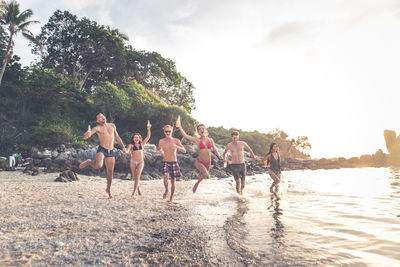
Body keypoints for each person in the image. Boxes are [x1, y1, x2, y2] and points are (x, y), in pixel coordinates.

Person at [79, 113, 127, 198]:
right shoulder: (97, 128)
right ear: (98, 121)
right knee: (98, 165)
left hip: (111, 150)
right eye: (100, 118)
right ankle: (90, 162)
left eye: (102, 116)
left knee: (110, 171)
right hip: (102, 149)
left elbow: (117, 137)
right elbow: (86, 137)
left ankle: (108, 189)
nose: (102, 118)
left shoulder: (112, 125)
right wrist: (87, 133)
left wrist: (123, 147)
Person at [176, 117, 223, 193]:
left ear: (205, 130)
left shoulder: (210, 140)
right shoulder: (197, 140)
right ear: (198, 132)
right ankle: (196, 184)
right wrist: (180, 126)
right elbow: (185, 136)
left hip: (208, 162)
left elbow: (214, 149)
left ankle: (198, 182)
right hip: (199, 161)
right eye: (200, 129)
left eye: (203, 128)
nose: (202, 130)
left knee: (205, 175)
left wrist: (219, 156)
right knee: (205, 173)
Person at [157, 124, 186, 201]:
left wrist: (177, 147)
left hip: (173, 162)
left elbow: (184, 150)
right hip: (165, 162)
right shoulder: (161, 141)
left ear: (171, 131)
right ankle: (166, 190)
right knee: (165, 177)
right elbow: (158, 151)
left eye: (169, 131)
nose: (168, 133)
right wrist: (159, 152)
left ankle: (171, 196)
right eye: (166, 131)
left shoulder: (176, 140)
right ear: (164, 132)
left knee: (173, 181)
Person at [123, 122, 151, 199]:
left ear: (139, 138)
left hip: (140, 162)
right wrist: (125, 151)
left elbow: (148, 136)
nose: (136, 138)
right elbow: (127, 151)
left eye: (137, 137)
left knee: (137, 177)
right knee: (135, 177)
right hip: (133, 162)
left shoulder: (142, 145)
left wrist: (148, 129)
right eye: (135, 137)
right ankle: (138, 189)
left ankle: (133, 193)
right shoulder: (131, 145)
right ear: (133, 139)